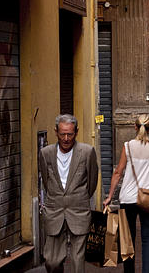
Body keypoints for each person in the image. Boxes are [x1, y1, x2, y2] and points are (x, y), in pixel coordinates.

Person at [104, 113, 149, 273]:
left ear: (135, 127)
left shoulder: (127, 146)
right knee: (148, 238)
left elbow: (118, 172)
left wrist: (110, 196)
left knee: (128, 240)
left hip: (128, 198)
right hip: (148, 198)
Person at [39, 114, 99, 273]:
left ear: (76, 132)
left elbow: (92, 181)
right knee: (51, 261)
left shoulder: (87, 152)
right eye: (62, 134)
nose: (66, 138)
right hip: (54, 212)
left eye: (70, 134)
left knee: (78, 260)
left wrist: (81, 198)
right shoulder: (46, 153)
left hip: (79, 210)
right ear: (56, 132)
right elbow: (46, 181)